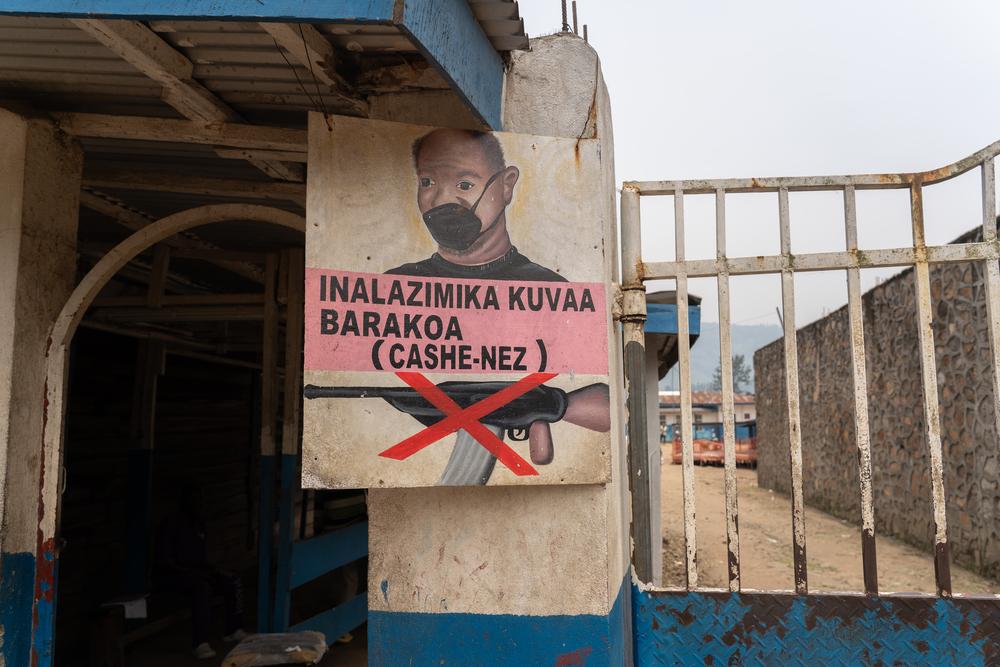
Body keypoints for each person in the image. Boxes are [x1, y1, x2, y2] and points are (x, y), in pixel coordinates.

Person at [387, 128, 567, 282]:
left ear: (506, 185)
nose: (441, 199)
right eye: (427, 182)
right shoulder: (393, 288)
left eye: (464, 185)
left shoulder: (548, 290)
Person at [155, 485, 247, 659]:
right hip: (173, 576)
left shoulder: (198, 524)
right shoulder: (171, 524)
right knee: (202, 588)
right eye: (196, 499)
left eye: (201, 499)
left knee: (232, 580)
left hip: (196, 572)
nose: (200, 503)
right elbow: (165, 562)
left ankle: (233, 630)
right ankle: (200, 642)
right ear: (186, 501)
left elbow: (200, 558)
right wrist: (193, 573)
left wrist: (215, 570)